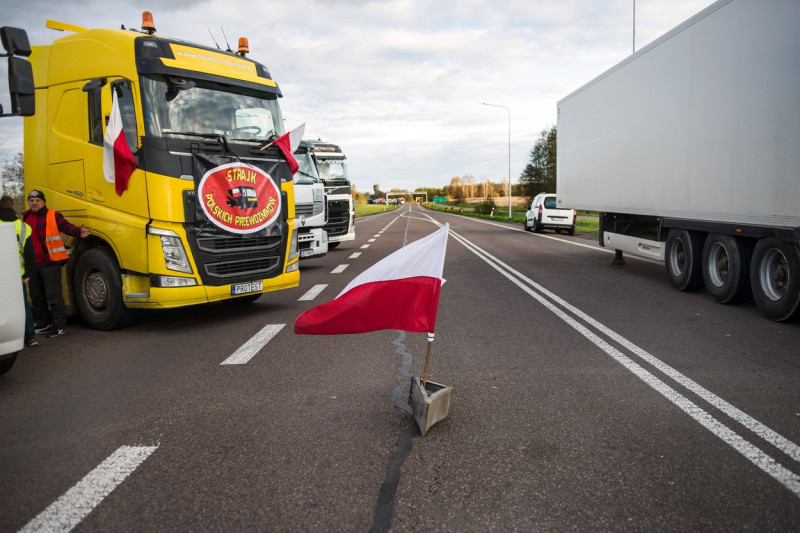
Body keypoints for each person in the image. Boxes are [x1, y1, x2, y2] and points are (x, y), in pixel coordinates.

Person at [21, 190, 90, 338]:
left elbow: (66, 227)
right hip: (32, 264)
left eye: (37, 200)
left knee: (53, 296)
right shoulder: (25, 217)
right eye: (31, 200)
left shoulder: (53, 215)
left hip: (50, 262)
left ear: (43, 202)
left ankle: (59, 326)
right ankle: (43, 324)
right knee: (36, 297)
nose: (34, 203)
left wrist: (79, 231)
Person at [0, 195, 37, 347]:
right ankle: (30, 337)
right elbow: (29, 255)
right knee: (22, 305)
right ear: (13, 207)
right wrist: (27, 274)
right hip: (17, 274)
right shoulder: (24, 227)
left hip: (2, 273)